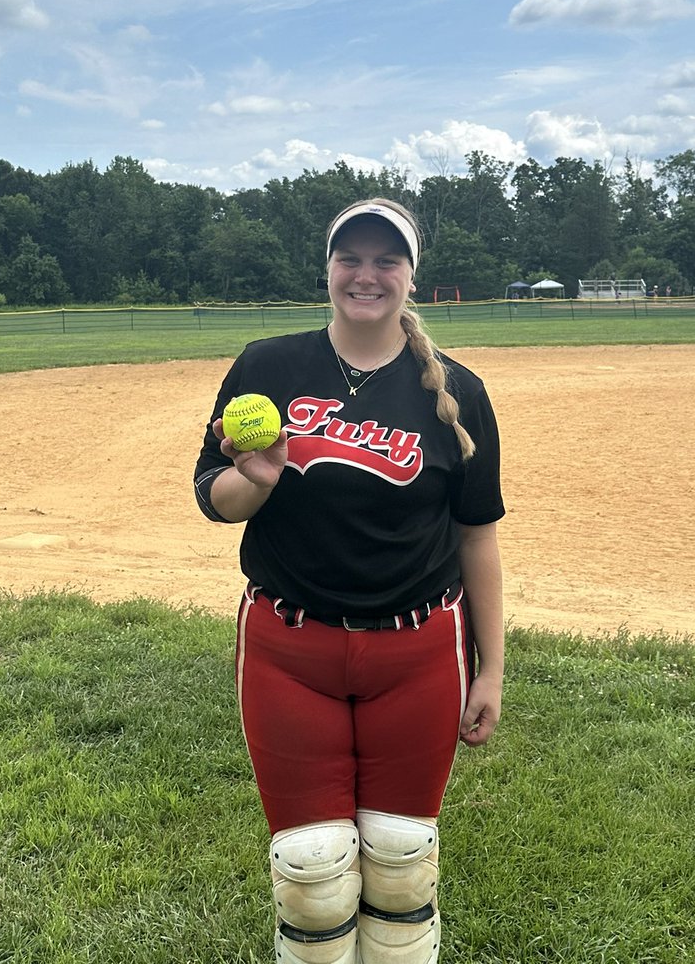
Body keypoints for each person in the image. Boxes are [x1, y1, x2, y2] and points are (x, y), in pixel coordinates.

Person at [194, 198, 505, 963]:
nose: (366, 275)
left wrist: (491, 667)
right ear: (328, 268)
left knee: (400, 863)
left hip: (419, 650)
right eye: (350, 258)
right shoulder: (268, 366)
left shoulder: (457, 390)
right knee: (311, 871)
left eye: (386, 260)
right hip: (288, 646)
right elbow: (215, 500)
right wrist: (259, 477)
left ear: (412, 276)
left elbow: (477, 535)